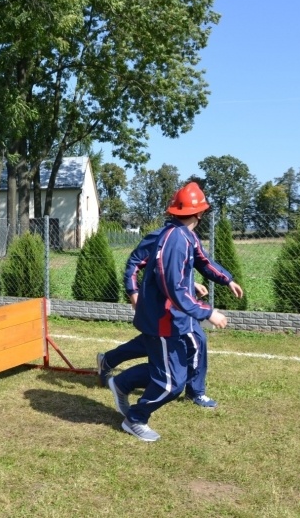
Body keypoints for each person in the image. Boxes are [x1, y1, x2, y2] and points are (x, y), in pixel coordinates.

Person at [107, 182, 238, 441]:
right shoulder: (174, 239)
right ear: (200, 214)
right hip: (163, 320)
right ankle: (135, 418)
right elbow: (173, 286)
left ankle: (121, 383)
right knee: (171, 384)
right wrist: (207, 312)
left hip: (170, 318)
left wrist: (226, 279)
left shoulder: (186, 236)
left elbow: (202, 260)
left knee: (169, 368)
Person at [97, 218, 242, 409]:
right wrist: (133, 293)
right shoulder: (161, 236)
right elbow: (135, 263)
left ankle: (194, 391)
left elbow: (195, 265)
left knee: (194, 343)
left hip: (182, 309)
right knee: (152, 346)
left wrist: (224, 280)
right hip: (163, 310)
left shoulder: (189, 237)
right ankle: (113, 367)